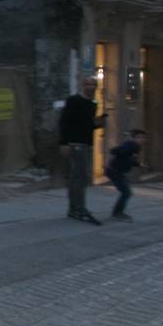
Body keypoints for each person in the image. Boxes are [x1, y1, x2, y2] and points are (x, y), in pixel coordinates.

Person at [59, 75, 106, 225]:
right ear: (83, 85)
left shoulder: (93, 103)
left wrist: (99, 123)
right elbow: (64, 122)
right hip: (75, 143)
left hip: (86, 144)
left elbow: (89, 125)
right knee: (80, 177)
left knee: (78, 177)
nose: (90, 87)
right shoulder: (73, 100)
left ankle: (74, 209)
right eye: (88, 84)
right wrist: (64, 143)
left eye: (93, 85)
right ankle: (79, 209)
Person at [106, 129, 146, 222]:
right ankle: (117, 213)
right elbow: (114, 151)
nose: (142, 139)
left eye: (143, 138)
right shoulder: (132, 146)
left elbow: (130, 158)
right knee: (126, 193)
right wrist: (129, 144)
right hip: (114, 171)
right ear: (134, 138)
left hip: (117, 171)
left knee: (126, 192)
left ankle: (117, 212)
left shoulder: (133, 146)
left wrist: (139, 164)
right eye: (139, 137)